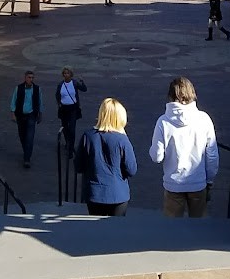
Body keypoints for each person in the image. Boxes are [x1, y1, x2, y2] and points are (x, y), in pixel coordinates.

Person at [149, 76, 218, 218]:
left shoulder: (163, 122)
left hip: (173, 184)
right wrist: (209, 180)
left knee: (172, 227)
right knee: (199, 225)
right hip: (198, 183)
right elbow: (212, 155)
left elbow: (157, 157)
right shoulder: (204, 119)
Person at [74, 98, 137, 216]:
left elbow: (78, 166)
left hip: (94, 193)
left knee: (97, 226)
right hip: (118, 193)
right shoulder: (122, 139)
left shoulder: (88, 136)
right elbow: (131, 169)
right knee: (117, 226)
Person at [10, 70, 42, 168]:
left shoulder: (37, 89)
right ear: (25, 78)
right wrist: (13, 114)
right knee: (22, 136)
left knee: (30, 137)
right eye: (29, 77)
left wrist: (40, 114)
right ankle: (26, 151)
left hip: (31, 115)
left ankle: (27, 158)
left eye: (32, 78)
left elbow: (40, 102)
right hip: (21, 115)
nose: (31, 79)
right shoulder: (18, 88)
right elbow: (14, 101)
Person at [56, 67, 87, 154]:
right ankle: (67, 142)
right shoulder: (60, 84)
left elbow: (84, 89)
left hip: (73, 108)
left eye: (68, 73)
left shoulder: (74, 83)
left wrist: (82, 81)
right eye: (65, 73)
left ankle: (71, 147)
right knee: (65, 128)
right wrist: (59, 104)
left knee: (72, 129)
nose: (66, 75)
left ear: (71, 74)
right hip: (63, 109)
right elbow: (57, 95)